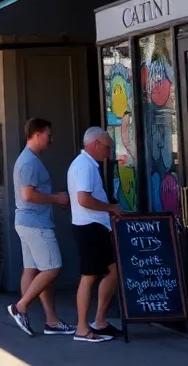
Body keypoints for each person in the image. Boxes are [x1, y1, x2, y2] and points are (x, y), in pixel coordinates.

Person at [7, 118, 74, 337]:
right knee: (52, 267)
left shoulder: (29, 160)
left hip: (27, 222)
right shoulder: (29, 162)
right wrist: (56, 198)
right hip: (36, 224)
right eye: (48, 134)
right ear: (36, 134)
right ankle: (21, 307)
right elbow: (28, 195)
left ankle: (50, 321)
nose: (50, 139)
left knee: (32, 269)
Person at [68, 127, 123, 343]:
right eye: (108, 147)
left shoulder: (86, 165)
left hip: (94, 227)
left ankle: (99, 321)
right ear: (95, 144)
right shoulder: (84, 166)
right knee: (89, 277)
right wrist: (110, 208)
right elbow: (84, 199)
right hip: (89, 228)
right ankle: (82, 328)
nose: (109, 153)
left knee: (113, 271)